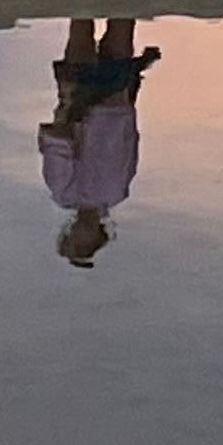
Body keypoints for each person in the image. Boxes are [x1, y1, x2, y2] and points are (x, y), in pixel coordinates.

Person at [40, 16, 155, 264]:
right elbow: (130, 148)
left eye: (75, 240)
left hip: (80, 101)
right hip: (116, 105)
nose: (81, 234)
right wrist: (130, 104)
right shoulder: (117, 194)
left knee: (81, 31)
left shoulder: (64, 193)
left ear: (69, 232)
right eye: (85, 242)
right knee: (121, 31)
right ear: (97, 236)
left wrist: (67, 105)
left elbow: (57, 144)